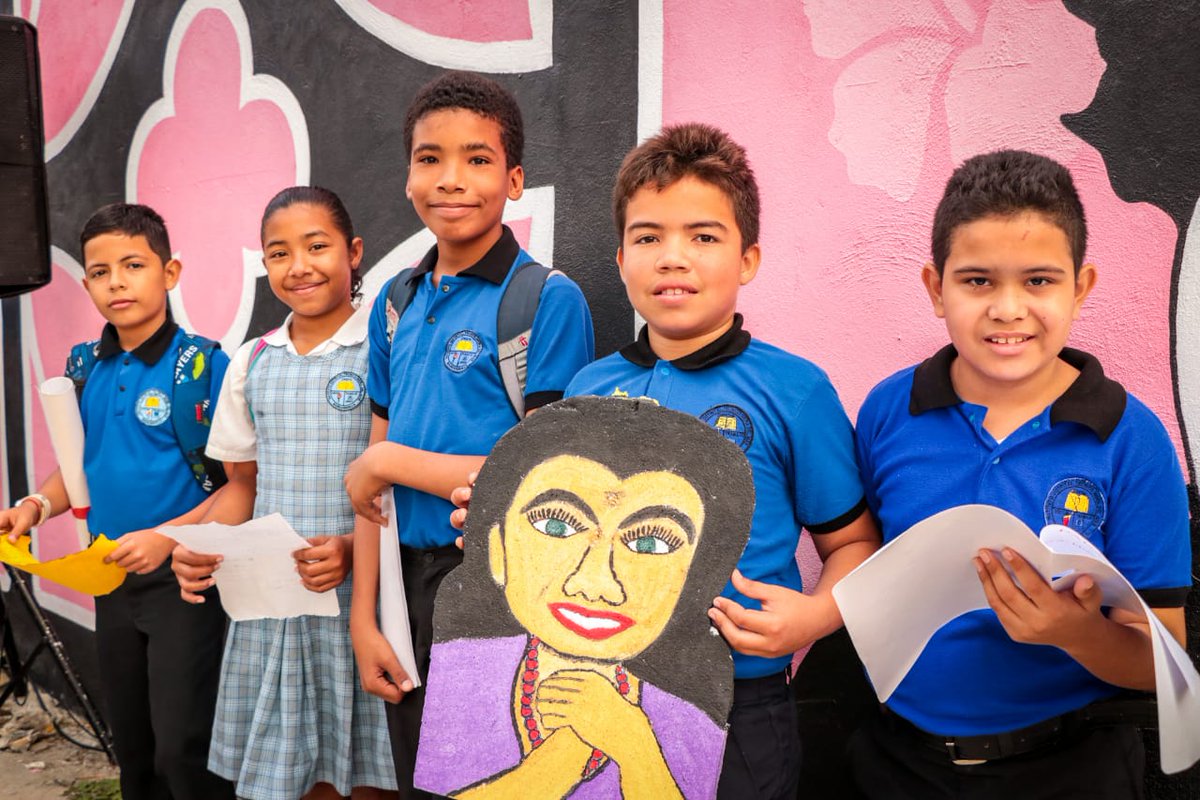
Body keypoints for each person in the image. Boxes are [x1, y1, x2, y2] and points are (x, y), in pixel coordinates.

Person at [849, 150, 1193, 799]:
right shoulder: (888, 412)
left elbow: (1166, 661)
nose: (1008, 309)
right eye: (978, 281)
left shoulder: (1133, 440)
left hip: (1070, 766)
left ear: (1080, 288)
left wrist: (1074, 631)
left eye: (1038, 281)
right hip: (900, 763)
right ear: (935, 287)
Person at [559, 122, 880, 799]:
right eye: (648, 237)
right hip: (597, 695)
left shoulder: (796, 389)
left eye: (703, 237)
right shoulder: (586, 390)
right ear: (620, 259)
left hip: (740, 704)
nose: (673, 258)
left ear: (748, 260)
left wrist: (816, 617)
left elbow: (852, 541)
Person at [343, 70, 594, 797]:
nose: (451, 179)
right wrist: (366, 618)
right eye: (430, 158)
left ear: (514, 180)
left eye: (478, 160)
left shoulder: (544, 299)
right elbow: (371, 480)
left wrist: (389, 460)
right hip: (402, 588)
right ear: (408, 177)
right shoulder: (397, 301)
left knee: (492, 779)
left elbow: (540, 475)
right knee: (417, 776)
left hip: (494, 594)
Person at [167, 186, 398, 800]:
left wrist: (353, 544)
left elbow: (400, 479)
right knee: (297, 767)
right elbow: (242, 485)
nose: (298, 266)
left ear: (353, 252)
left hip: (365, 596)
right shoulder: (252, 361)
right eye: (278, 253)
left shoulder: (386, 350)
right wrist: (204, 544)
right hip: (278, 605)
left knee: (371, 766)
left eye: (316, 246)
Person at [0, 203, 235, 800]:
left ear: (171, 272)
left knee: (187, 744)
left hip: (187, 580)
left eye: (134, 265)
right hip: (109, 577)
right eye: (101, 272)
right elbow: (79, 466)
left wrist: (169, 538)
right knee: (134, 745)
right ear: (86, 285)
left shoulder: (205, 364)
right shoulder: (83, 366)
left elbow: (239, 483)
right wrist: (34, 505)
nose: (117, 282)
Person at [416, 397, 752, 799]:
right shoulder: (469, 668)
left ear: (694, 576)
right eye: (556, 525)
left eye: (650, 543)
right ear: (498, 548)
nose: (595, 583)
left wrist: (635, 746)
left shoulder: (684, 712)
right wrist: (566, 758)